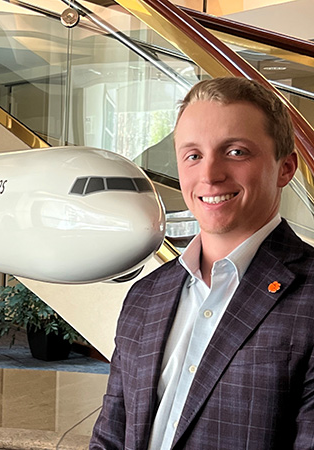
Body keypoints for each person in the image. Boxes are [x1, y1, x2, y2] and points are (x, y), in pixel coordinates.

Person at [90, 77, 314, 449]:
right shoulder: (144, 297)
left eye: (237, 152)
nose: (209, 175)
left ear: (286, 168)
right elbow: (111, 435)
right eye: (193, 155)